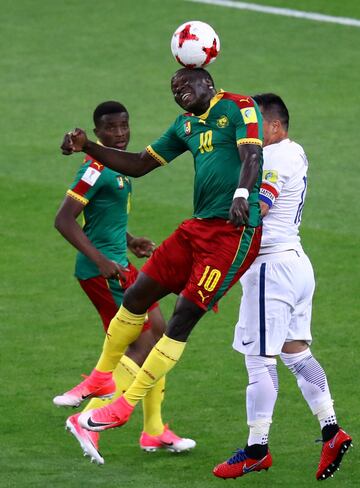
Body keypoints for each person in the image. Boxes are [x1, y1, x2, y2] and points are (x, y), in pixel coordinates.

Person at [56, 68, 263, 437]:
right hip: (195, 227)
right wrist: (87, 146)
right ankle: (103, 379)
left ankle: (126, 407)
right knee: (137, 296)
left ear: (209, 83)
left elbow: (251, 156)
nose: (179, 91)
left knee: (179, 317)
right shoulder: (184, 126)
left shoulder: (239, 107)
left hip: (231, 234)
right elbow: (138, 164)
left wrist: (242, 194)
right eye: (173, 88)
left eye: (186, 84)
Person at [213, 94, 352, 481]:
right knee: (295, 352)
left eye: (256, 124)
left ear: (274, 126)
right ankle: (331, 429)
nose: (250, 131)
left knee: (259, 360)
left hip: (270, 269)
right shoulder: (297, 152)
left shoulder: (273, 157)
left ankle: (257, 449)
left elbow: (261, 207)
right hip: (295, 264)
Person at [53, 100, 195, 465]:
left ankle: (154, 429)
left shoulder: (117, 168)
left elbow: (104, 216)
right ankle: (87, 420)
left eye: (124, 126)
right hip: (102, 274)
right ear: (97, 133)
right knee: (140, 346)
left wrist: (130, 241)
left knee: (161, 335)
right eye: (111, 129)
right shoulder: (94, 169)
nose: (119, 134)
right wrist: (101, 260)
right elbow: (65, 219)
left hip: (121, 264)